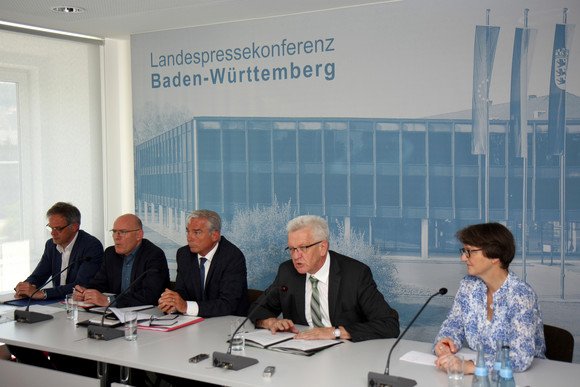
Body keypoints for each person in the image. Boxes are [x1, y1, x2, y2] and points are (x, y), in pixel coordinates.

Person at [251, 215, 399, 342]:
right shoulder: (287, 272)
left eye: (303, 248)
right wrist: (270, 322)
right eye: (292, 249)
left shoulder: (356, 274)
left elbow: (389, 324)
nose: (296, 256)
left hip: (347, 354)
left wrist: (334, 332)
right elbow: (257, 309)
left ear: (322, 247)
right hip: (301, 350)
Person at [434, 222, 545, 374]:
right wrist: (446, 343)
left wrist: (473, 366)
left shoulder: (521, 295)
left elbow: (520, 358)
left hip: (524, 378)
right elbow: (453, 324)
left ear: (495, 256)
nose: (462, 258)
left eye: (469, 251)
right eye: (464, 251)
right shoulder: (468, 285)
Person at [158, 209, 249, 317]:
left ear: (214, 236)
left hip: (227, 324)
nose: (189, 238)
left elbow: (228, 304)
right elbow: (181, 291)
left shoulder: (232, 257)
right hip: (194, 324)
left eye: (196, 232)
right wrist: (172, 304)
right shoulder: (184, 254)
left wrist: (186, 307)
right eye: (188, 231)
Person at [74, 214, 169, 307]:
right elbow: (99, 283)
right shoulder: (110, 253)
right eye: (114, 231)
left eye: (123, 232)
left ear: (139, 235)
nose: (116, 237)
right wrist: (85, 291)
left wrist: (110, 301)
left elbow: (150, 295)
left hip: (146, 314)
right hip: (116, 312)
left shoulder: (154, 255)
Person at [13, 201, 103, 300]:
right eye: (51, 228)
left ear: (74, 227)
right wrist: (24, 288)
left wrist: (44, 293)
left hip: (81, 304)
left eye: (58, 228)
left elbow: (80, 285)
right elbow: (38, 276)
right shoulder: (51, 245)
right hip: (56, 303)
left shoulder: (91, 246)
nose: (53, 233)